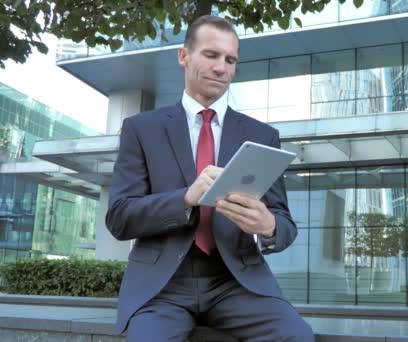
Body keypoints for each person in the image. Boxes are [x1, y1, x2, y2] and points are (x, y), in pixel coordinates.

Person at [105, 15, 314, 342]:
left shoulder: (263, 135)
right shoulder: (141, 129)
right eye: (211, 55)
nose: (222, 68)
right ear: (183, 56)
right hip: (163, 286)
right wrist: (185, 198)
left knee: (296, 336)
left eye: (230, 60)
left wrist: (268, 225)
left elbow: (285, 225)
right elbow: (119, 218)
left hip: (236, 283)